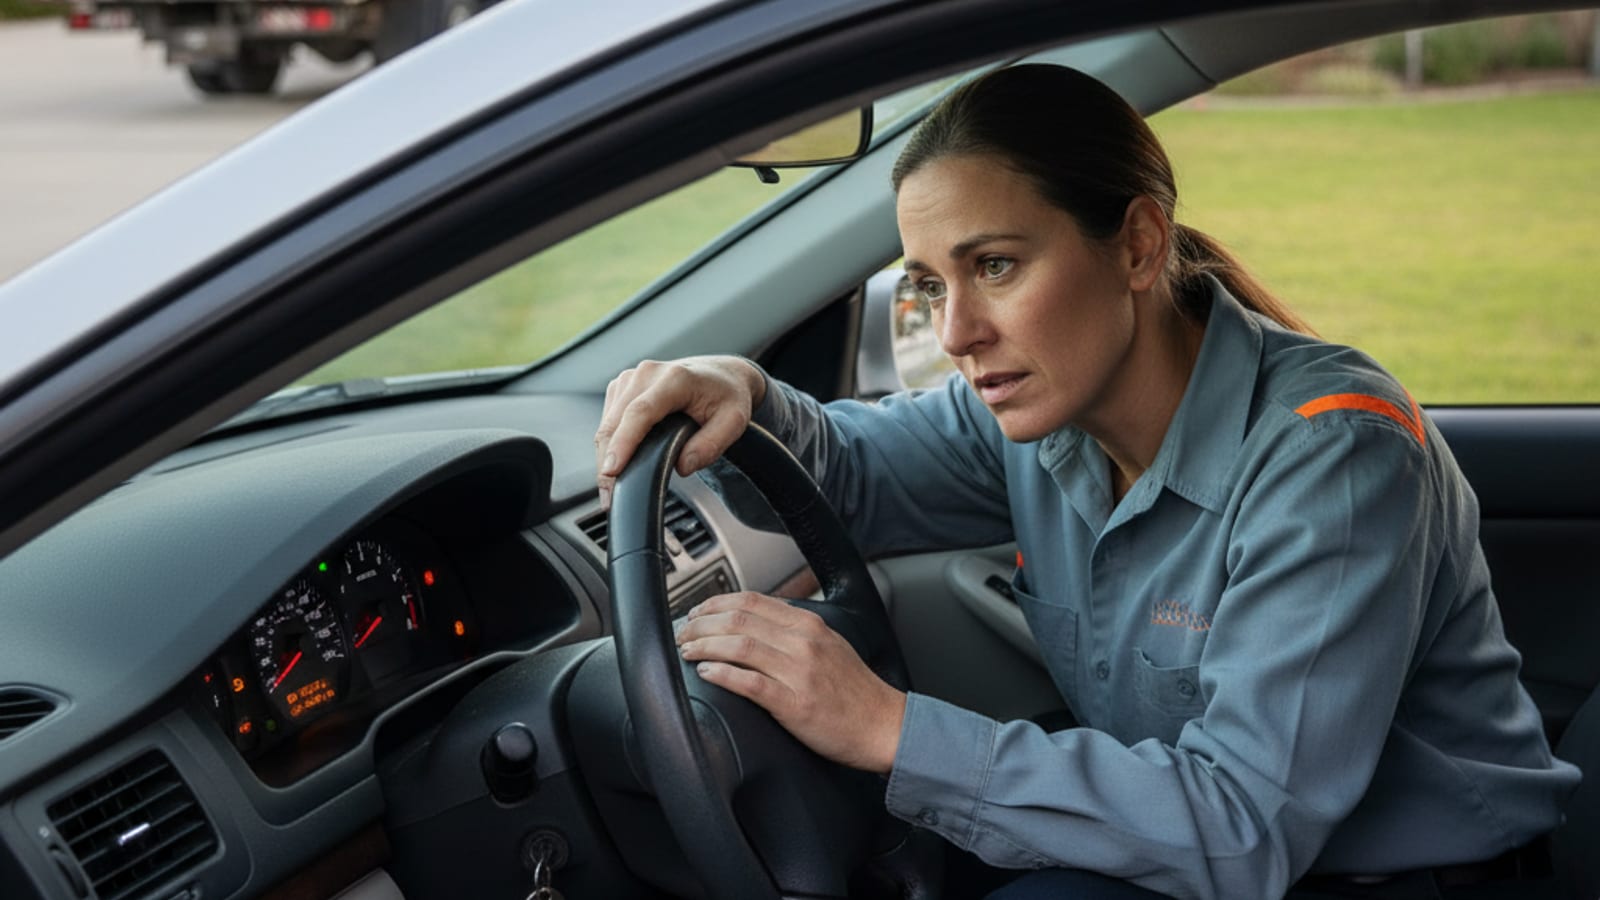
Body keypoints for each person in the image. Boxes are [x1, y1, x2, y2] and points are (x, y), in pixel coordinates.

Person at [591, 65, 1580, 900]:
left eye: (996, 266)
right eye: (933, 282)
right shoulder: (1040, 418)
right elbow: (845, 477)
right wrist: (741, 388)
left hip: (1408, 875)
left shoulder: (1334, 454)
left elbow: (1242, 829)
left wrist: (881, 726)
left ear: (1140, 245)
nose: (954, 332)